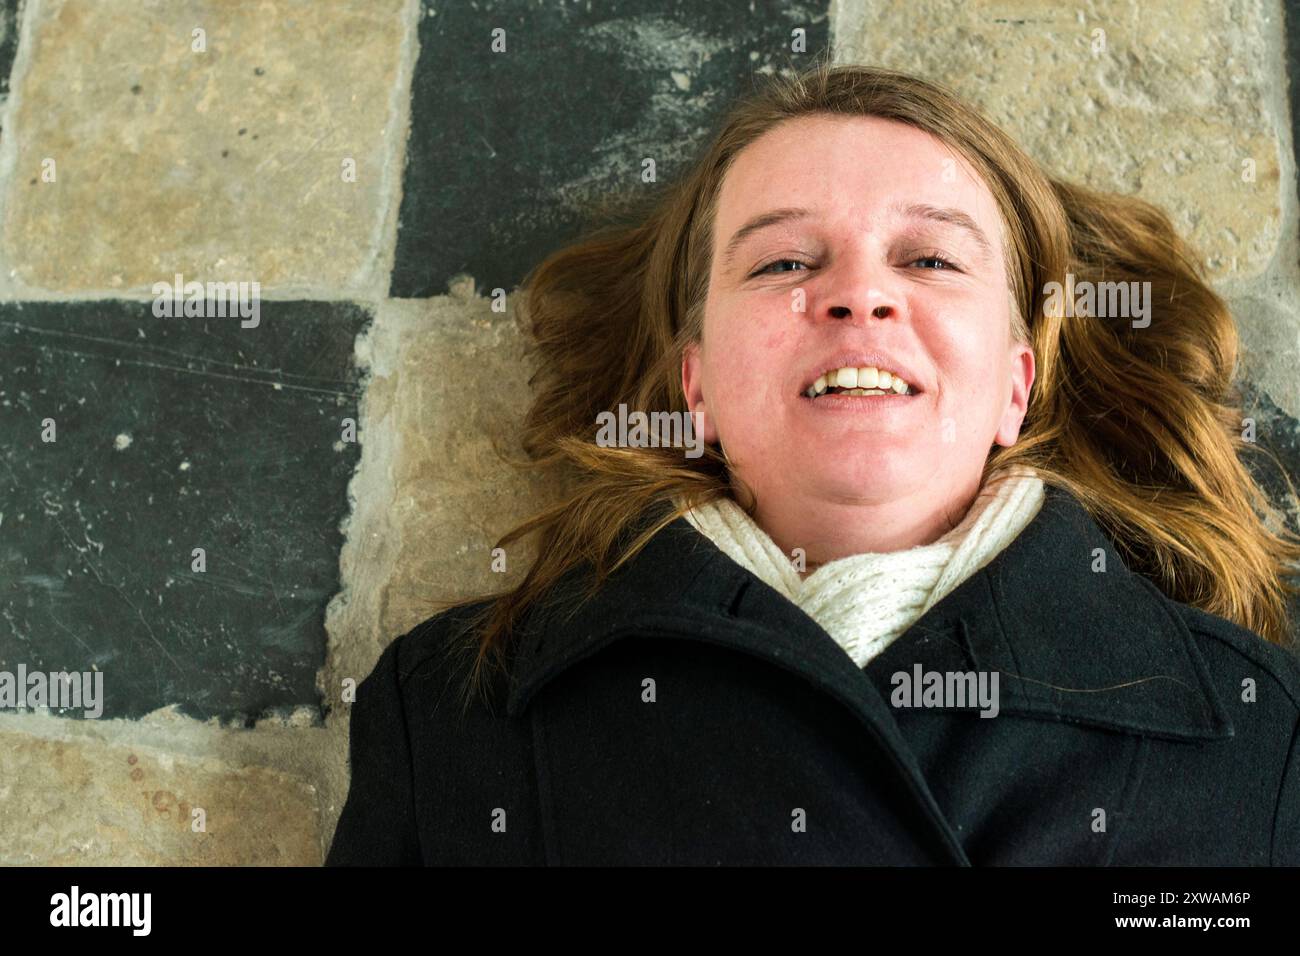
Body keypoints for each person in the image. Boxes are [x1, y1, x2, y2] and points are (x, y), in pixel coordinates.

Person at [326, 61, 1300, 866]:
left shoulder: (1262, 733)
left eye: (928, 259)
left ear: (1017, 384)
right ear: (694, 384)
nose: (857, 296)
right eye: (783, 262)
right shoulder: (453, 711)